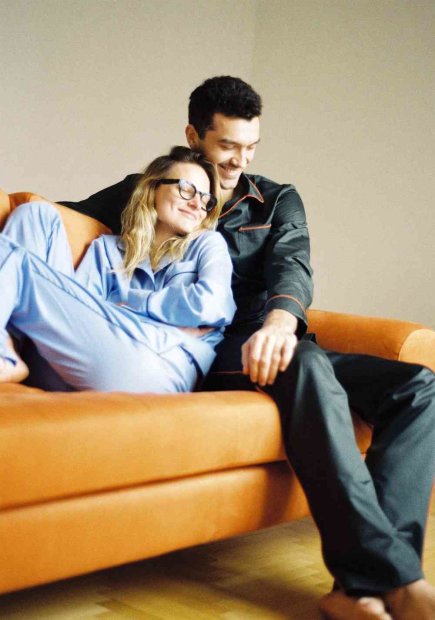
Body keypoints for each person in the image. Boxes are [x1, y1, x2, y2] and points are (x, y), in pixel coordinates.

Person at [30, 77, 435, 618]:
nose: (239, 160)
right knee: (304, 361)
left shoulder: (277, 198)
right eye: (227, 146)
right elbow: (59, 215)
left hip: (279, 340)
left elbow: (293, 263)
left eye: (250, 148)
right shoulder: (156, 186)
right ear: (194, 136)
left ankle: (360, 587)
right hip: (218, 353)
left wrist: (279, 323)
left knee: (420, 387)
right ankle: (397, 580)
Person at [0, 146, 236, 392]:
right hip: (77, 362)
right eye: (186, 189)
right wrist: (165, 316)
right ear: (153, 188)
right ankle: (9, 351)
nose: (198, 204)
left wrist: (132, 303)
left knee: (10, 255)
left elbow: (212, 306)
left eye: (206, 200)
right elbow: (79, 315)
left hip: (156, 363)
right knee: (35, 214)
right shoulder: (107, 249)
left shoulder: (207, 244)